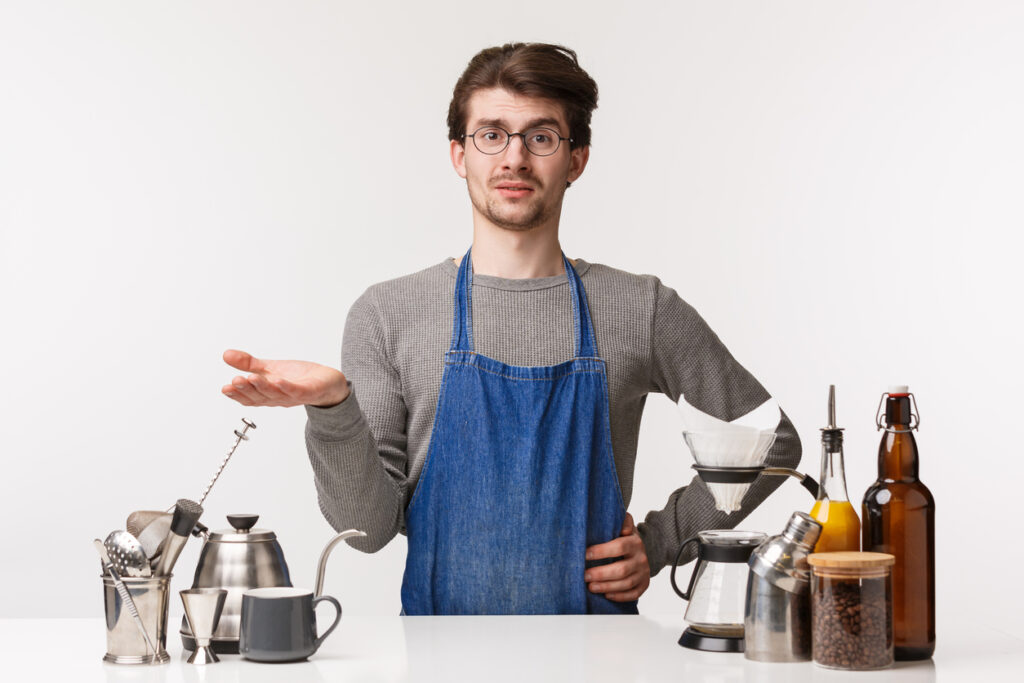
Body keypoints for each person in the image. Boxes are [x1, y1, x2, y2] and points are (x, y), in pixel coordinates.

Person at [222, 42, 801, 616]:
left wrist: (661, 542)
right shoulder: (387, 312)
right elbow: (367, 530)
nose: (514, 159)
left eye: (541, 137)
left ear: (576, 159)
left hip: (598, 659)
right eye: (491, 134)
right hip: (437, 659)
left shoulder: (638, 307)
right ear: (459, 154)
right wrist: (332, 409)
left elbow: (770, 439)